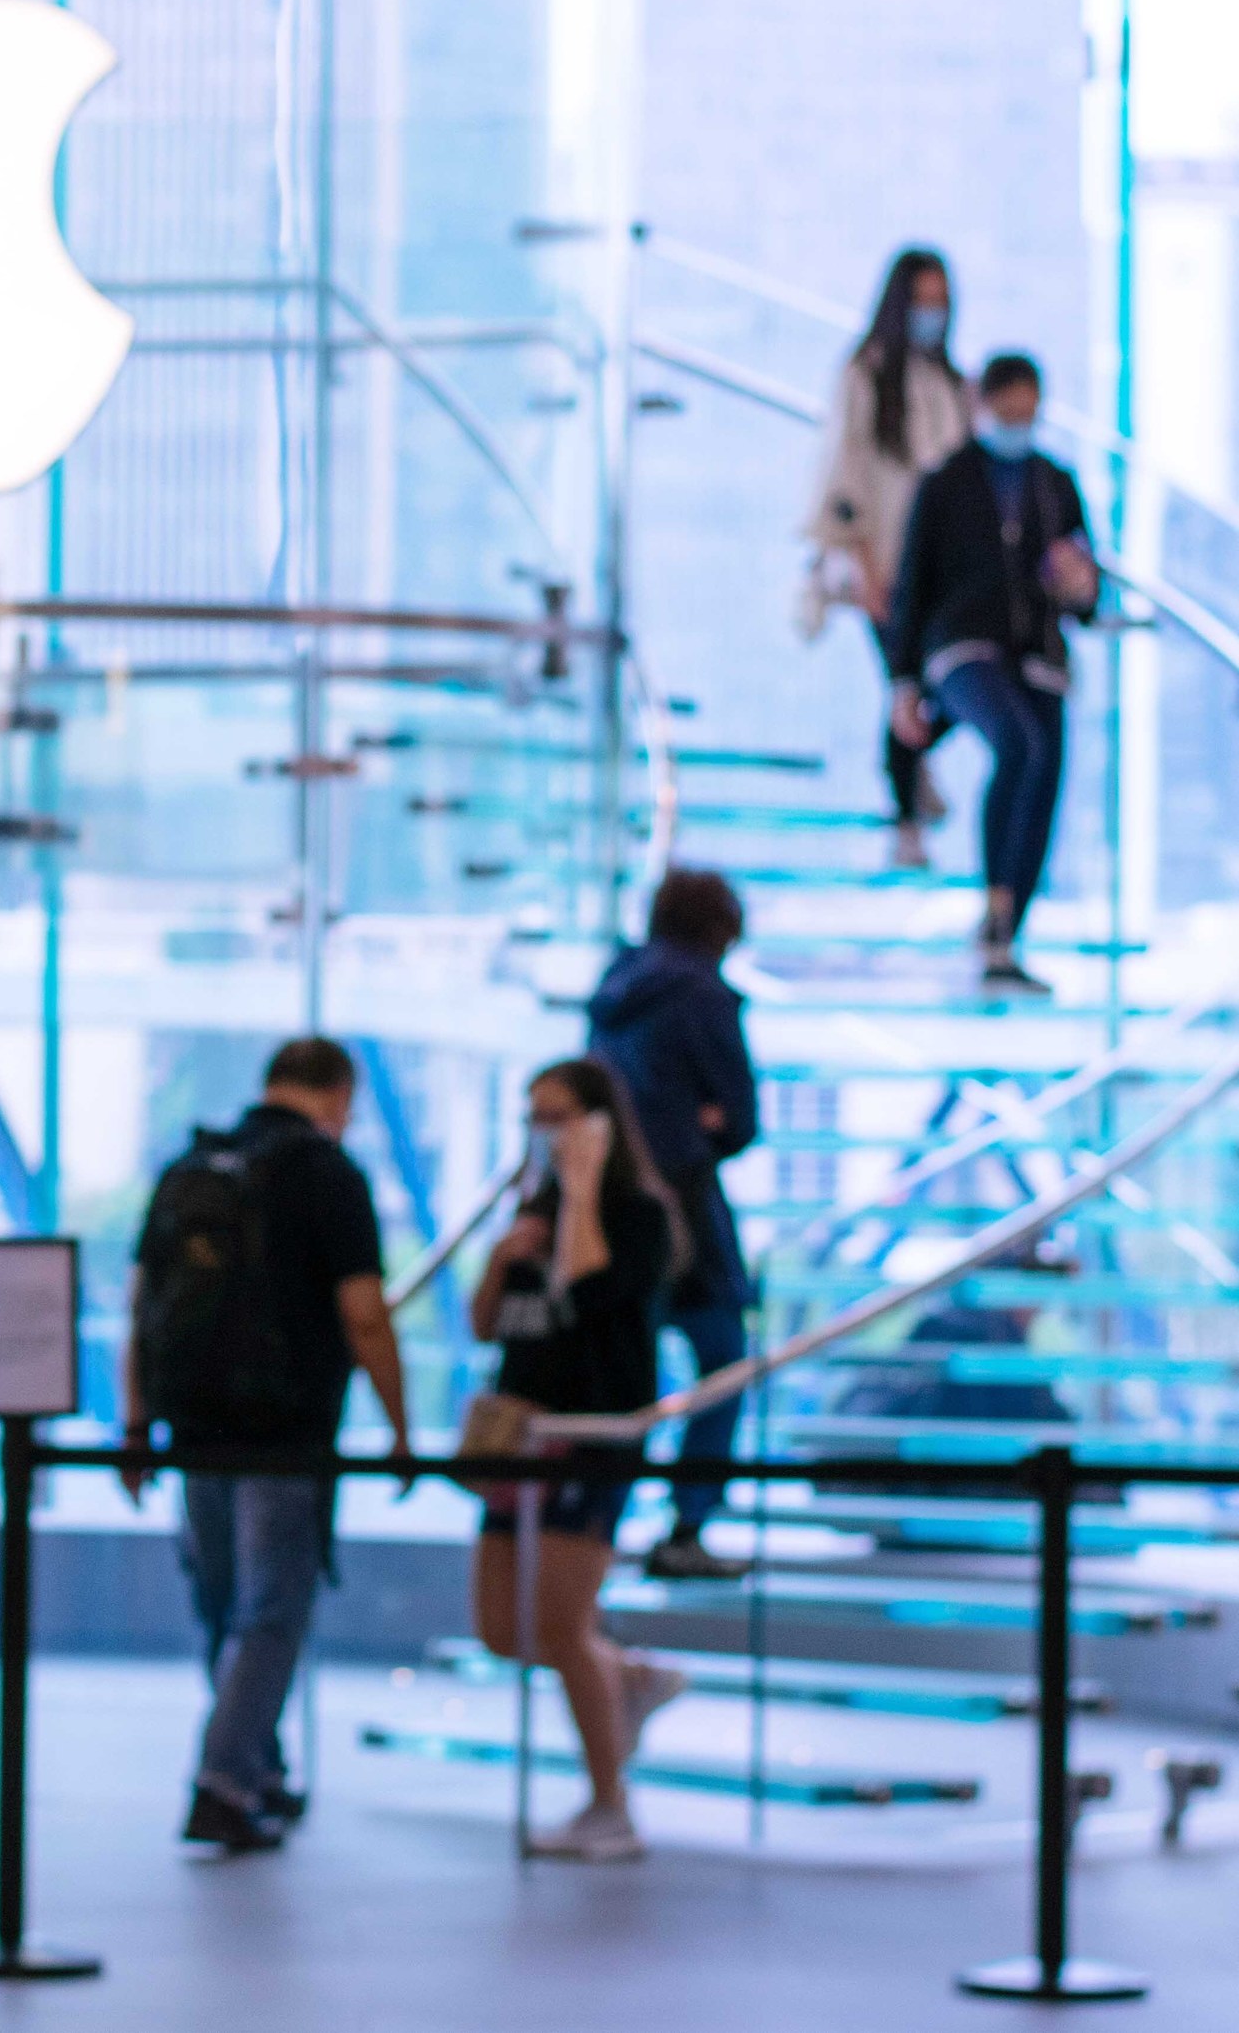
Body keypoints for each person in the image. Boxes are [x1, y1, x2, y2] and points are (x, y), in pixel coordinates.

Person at [120, 1036, 413, 1854]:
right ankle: (222, 1781)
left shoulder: (194, 1169)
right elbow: (363, 1312)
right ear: (338, 1095)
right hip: (286, 1435)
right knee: (272, 1613)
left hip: (193, 1431)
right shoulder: (328, 1175)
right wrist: (397, 1426)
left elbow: (140, 1307)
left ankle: (261, 1771)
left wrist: (136, 1424)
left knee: (224, 1610)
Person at [468, 1058, 688, 1865]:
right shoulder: (535, 1208)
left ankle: (610, 1802)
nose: (546, 1134)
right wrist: (501, 1255)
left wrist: (586, 1188)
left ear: (598, 1124)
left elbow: (588, 1286)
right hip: (519, 1433)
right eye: (535, 1117)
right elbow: (487, 1322)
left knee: (561, 1622)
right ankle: (627, 1676)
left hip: (591, 1437)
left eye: (561, 1116)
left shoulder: (633, 1215)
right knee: (501, 1627)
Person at [886, 350, 1101, 994]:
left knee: (1044, 769)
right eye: (1007, 408)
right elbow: (912, 586)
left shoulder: (1053, 484)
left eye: (1027, 410)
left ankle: (1006, 930)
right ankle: (995, 909)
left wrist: (1080, 589)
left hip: (1036, 652)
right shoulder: (947, 482)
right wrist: (903, 678)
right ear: (983, 404)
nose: (1017, 421)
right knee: (1020, 745)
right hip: (962, 645)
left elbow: (1083, 588)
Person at [585, 868, 760, 1582]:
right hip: (683, 1205)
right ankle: (686, 1526)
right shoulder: (703, 997)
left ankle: (598, 1525)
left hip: (606, 1202)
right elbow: (740, 1118)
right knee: (723, 1362)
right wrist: (702, 1124)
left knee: (621, 1374)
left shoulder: (614, 989)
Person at [801, 246, 972, 869]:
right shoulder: (867, 374)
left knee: (933, 689)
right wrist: (864, 560)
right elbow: (846, 469)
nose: (932, 315)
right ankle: (905, 817)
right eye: (921, 302)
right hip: (887, 562)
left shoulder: (952, 385)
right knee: (906, 686)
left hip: (943, 570)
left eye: (941, 303)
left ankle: (912, 774)